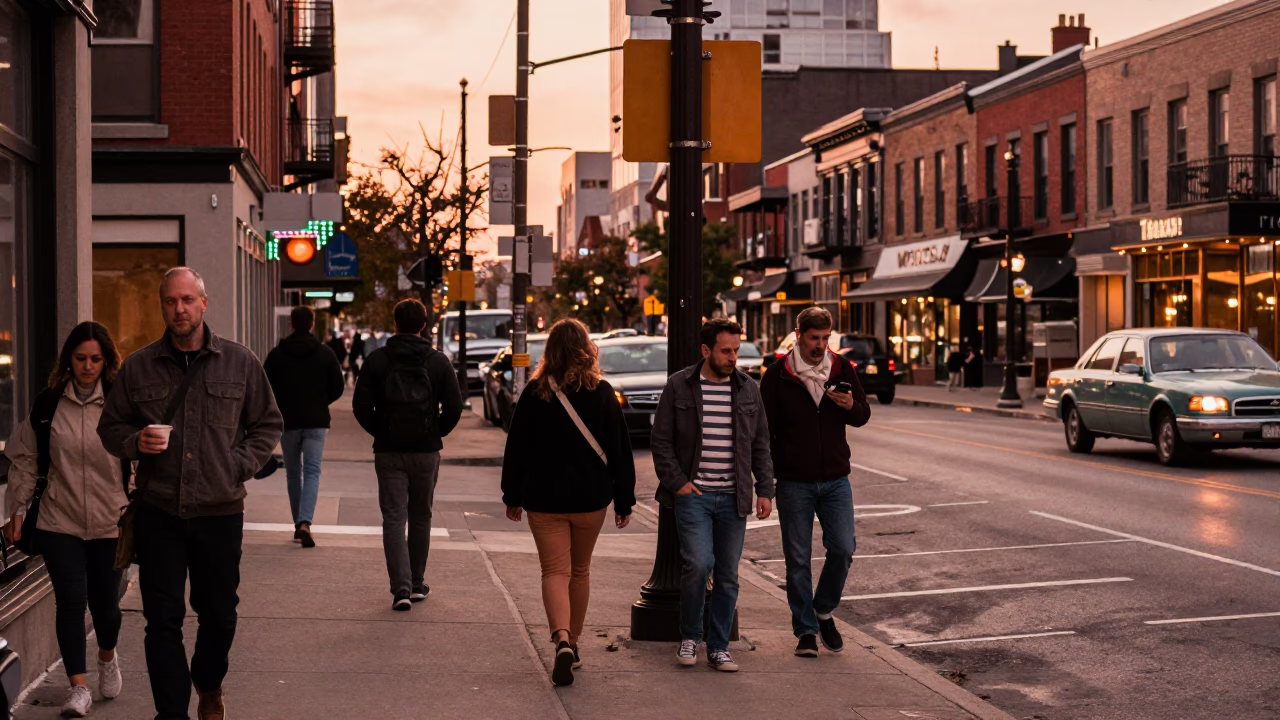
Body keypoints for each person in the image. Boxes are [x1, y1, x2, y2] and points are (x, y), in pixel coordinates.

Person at [98, 267, 283, 720]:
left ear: (203, 303)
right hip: (159, 510)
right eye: (169, 301)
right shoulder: (139, 366)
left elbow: (267, 425)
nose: (178, 309)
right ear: (161, 306)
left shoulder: (240, 362)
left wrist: (235, 465)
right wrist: (135, 442)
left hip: (220, 512)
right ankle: (172, 714)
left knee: (219, 614)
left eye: (186, 300)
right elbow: (111, 426)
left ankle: (208, 680)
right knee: (162, 620)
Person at [501, 319, 636, 687]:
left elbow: (516, 450)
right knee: (580, 570)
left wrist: (512, 496)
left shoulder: (534, 393)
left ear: (549, 352)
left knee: (553, 572)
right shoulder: (603, 392)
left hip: (544, 499)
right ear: (586, 348)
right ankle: (573, 644)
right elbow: (620, 452)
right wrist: (624, 499)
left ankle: (560, 637)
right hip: (590, 499)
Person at [4, 322, 129, 717]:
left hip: (112, 519)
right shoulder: (48, 404)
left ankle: (107, 655)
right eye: (80, 359)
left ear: (106, 361)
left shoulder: (120, 402)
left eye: (95, 359)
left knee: (106, 606)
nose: (88, 366)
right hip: (61, 518)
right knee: (71, 602)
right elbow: (25, 457)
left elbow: (140, 455)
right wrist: (18, 508)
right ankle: (78, 687)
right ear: (68, 361)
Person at [651, 319, 774, 673]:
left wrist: (765, 489)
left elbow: (761, 443)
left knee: (728, 574)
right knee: (699, 564)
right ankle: (690, 636)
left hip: (734, 498)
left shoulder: (749, 388)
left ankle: (718, 646)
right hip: (695, 496)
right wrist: (678, 483)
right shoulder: (680, 386)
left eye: (736, 350)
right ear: (706, 351)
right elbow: (661, 441)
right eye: (726, 350)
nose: (733, 357)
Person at [760, 307, 871, 659]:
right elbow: (763, 433)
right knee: (798, 559)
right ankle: (805, 630)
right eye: (814, 338)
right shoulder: (777, 376)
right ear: (799, 335)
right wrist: (768, 478)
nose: (820, 345)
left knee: (843, 548)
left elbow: (862, 415)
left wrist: (850, 404)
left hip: (836, 479)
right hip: (794, 482)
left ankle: (823, 610)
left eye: (825, 338)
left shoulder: (841, 368)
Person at [353, 299, 463, 611]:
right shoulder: (437, 361)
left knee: (393, 517)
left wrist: (382, 431)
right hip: (426, 451)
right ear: (424, 325)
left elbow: (360, 407)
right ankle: (417, 583)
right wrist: (435, 433)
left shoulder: (378, 360)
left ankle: (400, 589)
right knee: (421, 515)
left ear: (396, 324)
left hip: (388, 451)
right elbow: (454, 407)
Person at [263, 306, 345, 548]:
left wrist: (280, 404)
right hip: (316, 421)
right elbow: (338, 386)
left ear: (291, 325)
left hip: (287, 421)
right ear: (311, 325)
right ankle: (304, 522)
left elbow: (265, 385)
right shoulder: (325, 353)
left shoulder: (277, 354)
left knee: (293, 472)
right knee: (312, 471)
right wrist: (321, 401)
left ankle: (297, 522)